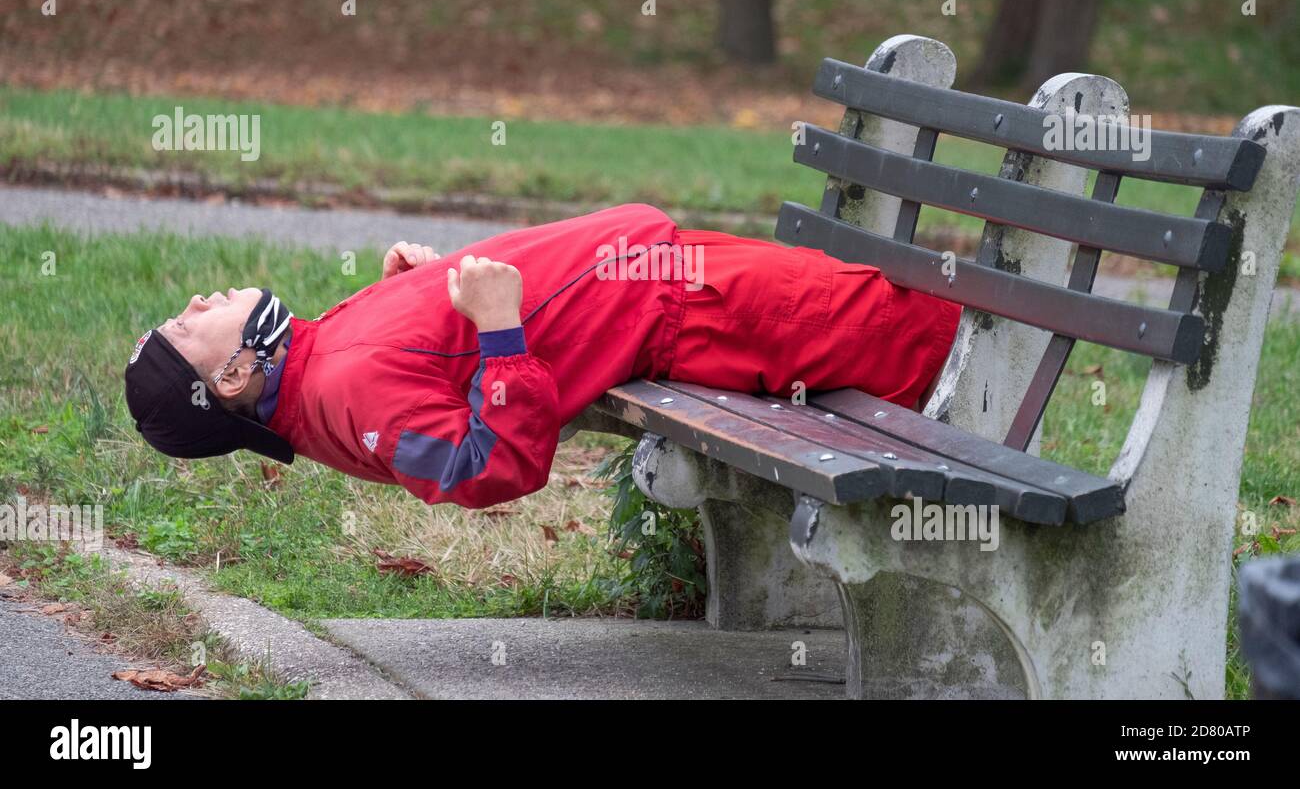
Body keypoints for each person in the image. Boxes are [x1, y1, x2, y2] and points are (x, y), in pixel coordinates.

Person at [125, 204, 960, 509]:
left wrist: (410, 292)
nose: (198, 303)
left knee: (892, 312)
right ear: (234, 376)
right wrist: (493, 330)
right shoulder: (344, 394)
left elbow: (413, 372)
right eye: (187, 326)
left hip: (668, 286)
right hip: (685, 309)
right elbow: (484, 469)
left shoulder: (316, 367)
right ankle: (980, 463)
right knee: (914, 327)